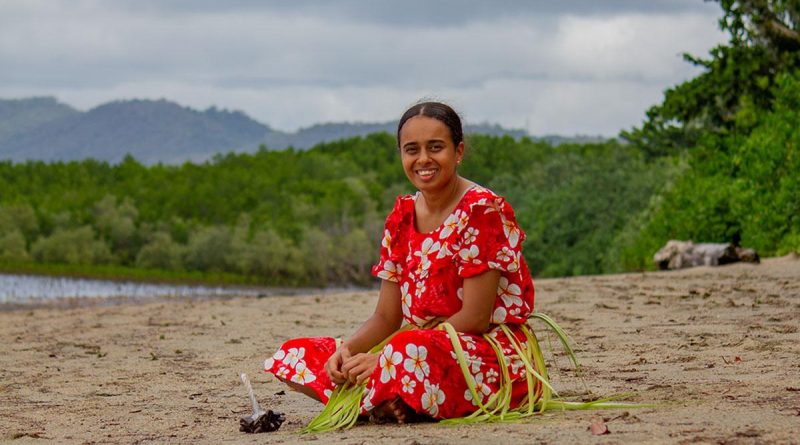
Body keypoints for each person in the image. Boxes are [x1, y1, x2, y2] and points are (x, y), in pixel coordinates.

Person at [263, 101, 538, 424]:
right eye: (412, 150)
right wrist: (348, 351)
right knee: (297, 355)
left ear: (458, 151)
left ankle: (386, 396)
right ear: (401, 155)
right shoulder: (402, 216)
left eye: (436, 147)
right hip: (409, 349)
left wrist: (384, 359)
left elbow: (476, 318)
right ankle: (388, 399)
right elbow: (385, 316)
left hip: (478, 354)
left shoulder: (482, 210)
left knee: (408, 347)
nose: (423, 159)